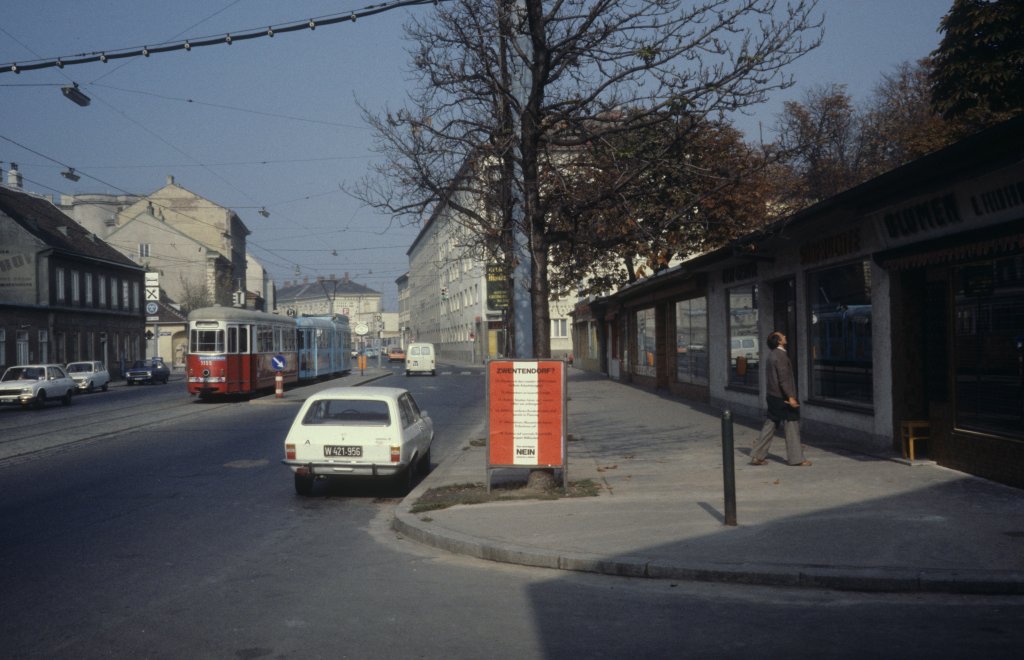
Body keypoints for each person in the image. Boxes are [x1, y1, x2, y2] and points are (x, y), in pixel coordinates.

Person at [751, 331, 811, 466]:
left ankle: (757, 455)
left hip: (772, 396)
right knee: (792, 426)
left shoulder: (771, 355)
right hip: (783, 397)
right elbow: (783, 379)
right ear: (778, 341)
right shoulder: (781, 356)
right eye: (782, 336)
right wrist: (791, 397)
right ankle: (796, 459)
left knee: (770, 424)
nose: (785, 336)